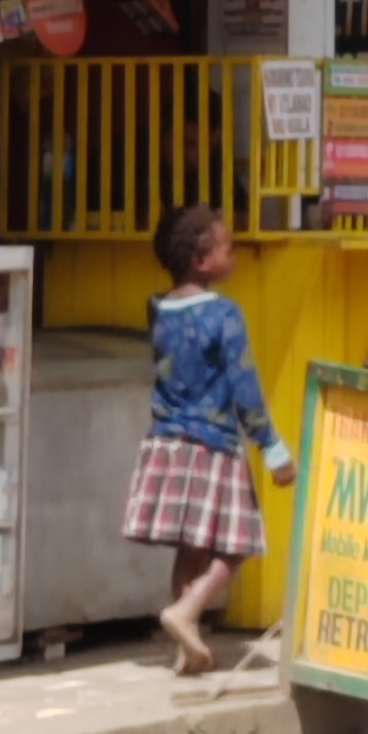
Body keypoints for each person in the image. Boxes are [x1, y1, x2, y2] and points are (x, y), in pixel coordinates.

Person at [126, 200, 294, 674]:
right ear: (202, 260)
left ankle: (188, 647)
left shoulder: (158, 309)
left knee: (190, 547)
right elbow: (245, 390)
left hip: (167, 444)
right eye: (227, 247)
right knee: (236, 545)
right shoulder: (226, 316)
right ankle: (188, 609)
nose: (234, 254)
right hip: (212, 446)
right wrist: (274, 449)